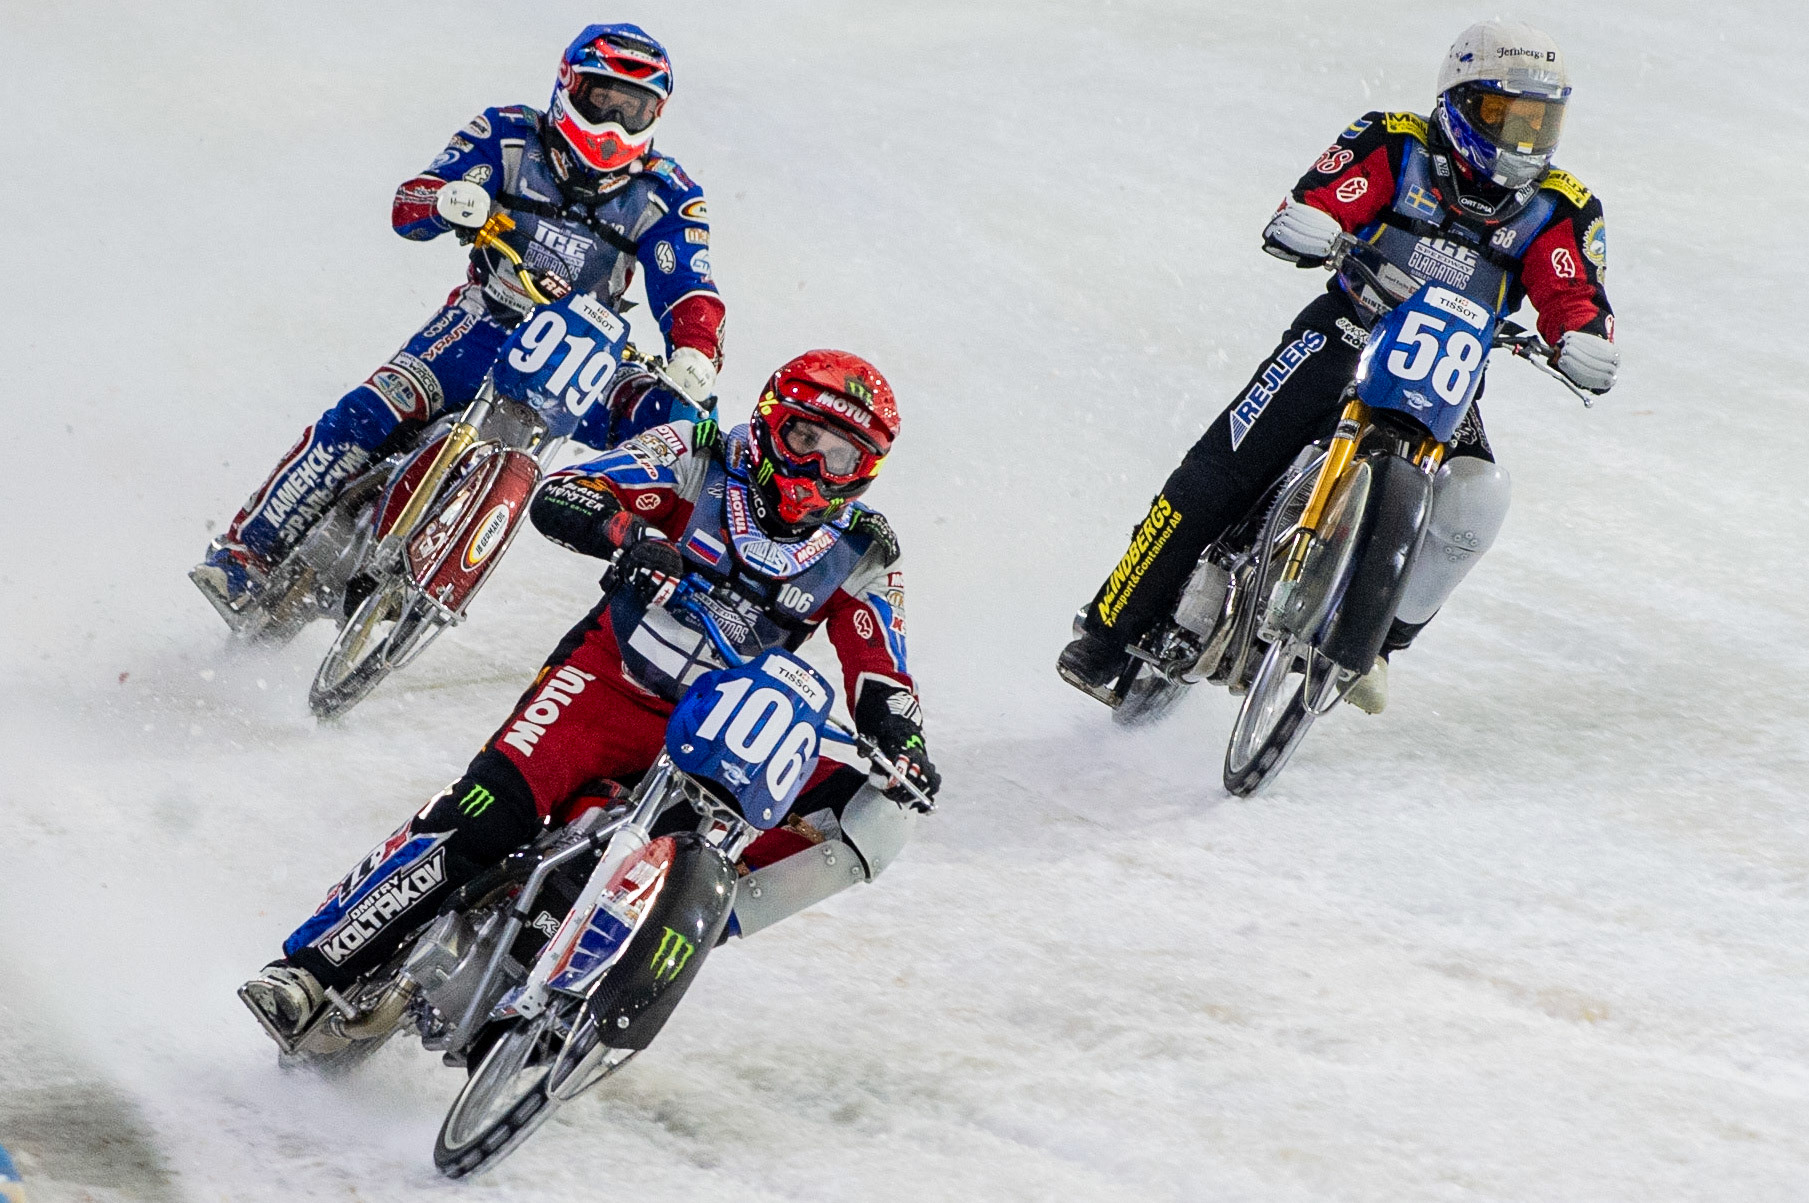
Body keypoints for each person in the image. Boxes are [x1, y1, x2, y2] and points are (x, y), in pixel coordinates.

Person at [240, 350, 940, 1041]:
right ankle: (309, 970)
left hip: (723, 735)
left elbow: (883, 666)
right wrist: (628, 533)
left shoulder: (865, 549)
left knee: (881, 816)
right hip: (606, 682)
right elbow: (568, 490)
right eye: (804, 437)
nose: (816, 465)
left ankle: (680, 926)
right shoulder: (696, 451)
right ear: (766, 423)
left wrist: (902, 742)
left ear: (865, 473)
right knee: (484, 814)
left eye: (841, 456)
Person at [1058, 20, 1620, 714]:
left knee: (1477, 497)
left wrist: (1583, 339)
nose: (1519, 141)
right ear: (1457, 101)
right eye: (1502, 116)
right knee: (1218, 469)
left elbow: (1574, 294)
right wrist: (1306, 221)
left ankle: (1380, 642)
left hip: (1442, 370)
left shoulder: (1561, 204)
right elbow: (1317, 201)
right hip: (1348, 326)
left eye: (1538, 122)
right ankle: (1108, 626)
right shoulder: (1391, 139)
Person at [193, 23, 727, 619]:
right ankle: (245, 555)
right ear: (569, 87)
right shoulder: (506, 134)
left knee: (684, 435)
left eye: (634, 110)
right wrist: (447, 200)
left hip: (588, 357)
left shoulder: (670, 195)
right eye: (602, 100)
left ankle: (688, 598)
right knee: (368, 413)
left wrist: (697, 351)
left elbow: (689, 286)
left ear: (657, 114)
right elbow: (411, 203)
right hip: (486, 318)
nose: (613, 124)